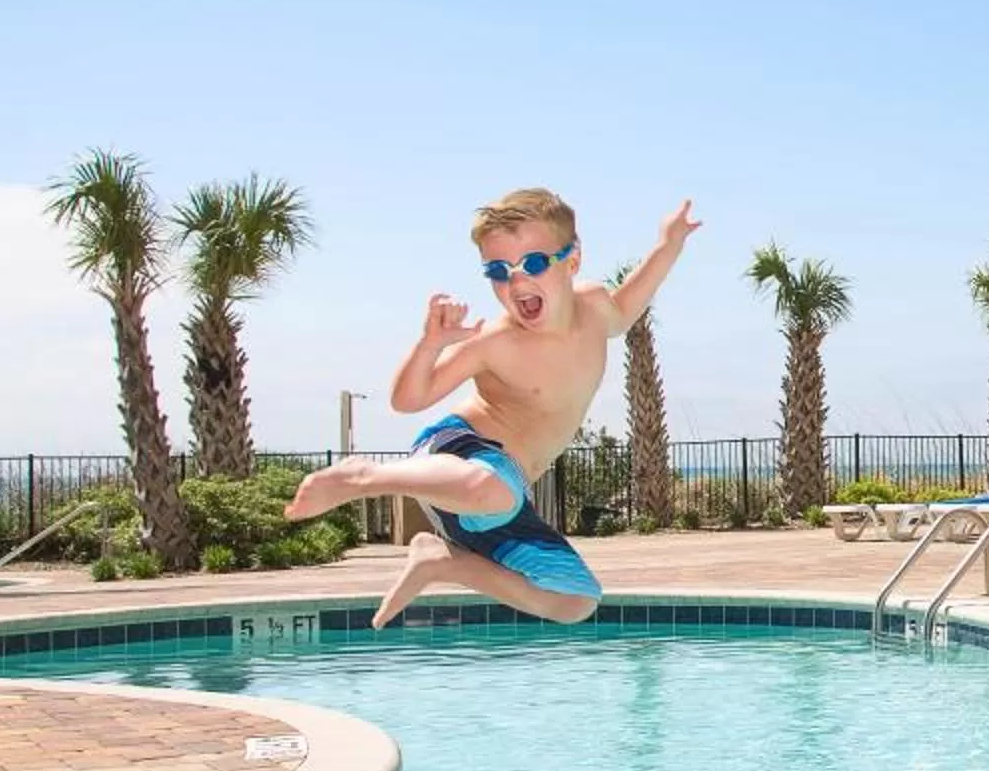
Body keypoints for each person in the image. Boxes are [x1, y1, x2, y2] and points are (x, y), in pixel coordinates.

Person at [288, 188, 700, 628]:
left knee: (575, 599)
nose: (517, 282)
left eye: (535, 263)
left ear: (572, 260)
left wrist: (668, 245)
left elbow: (626, 309)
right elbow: (408, 400)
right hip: (458, 454)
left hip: (499, 502)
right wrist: (431, 344)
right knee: (493, 487)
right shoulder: (495, 341)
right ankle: (362, 476)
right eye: (498, 271)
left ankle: (442, 561)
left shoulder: (596, 307)